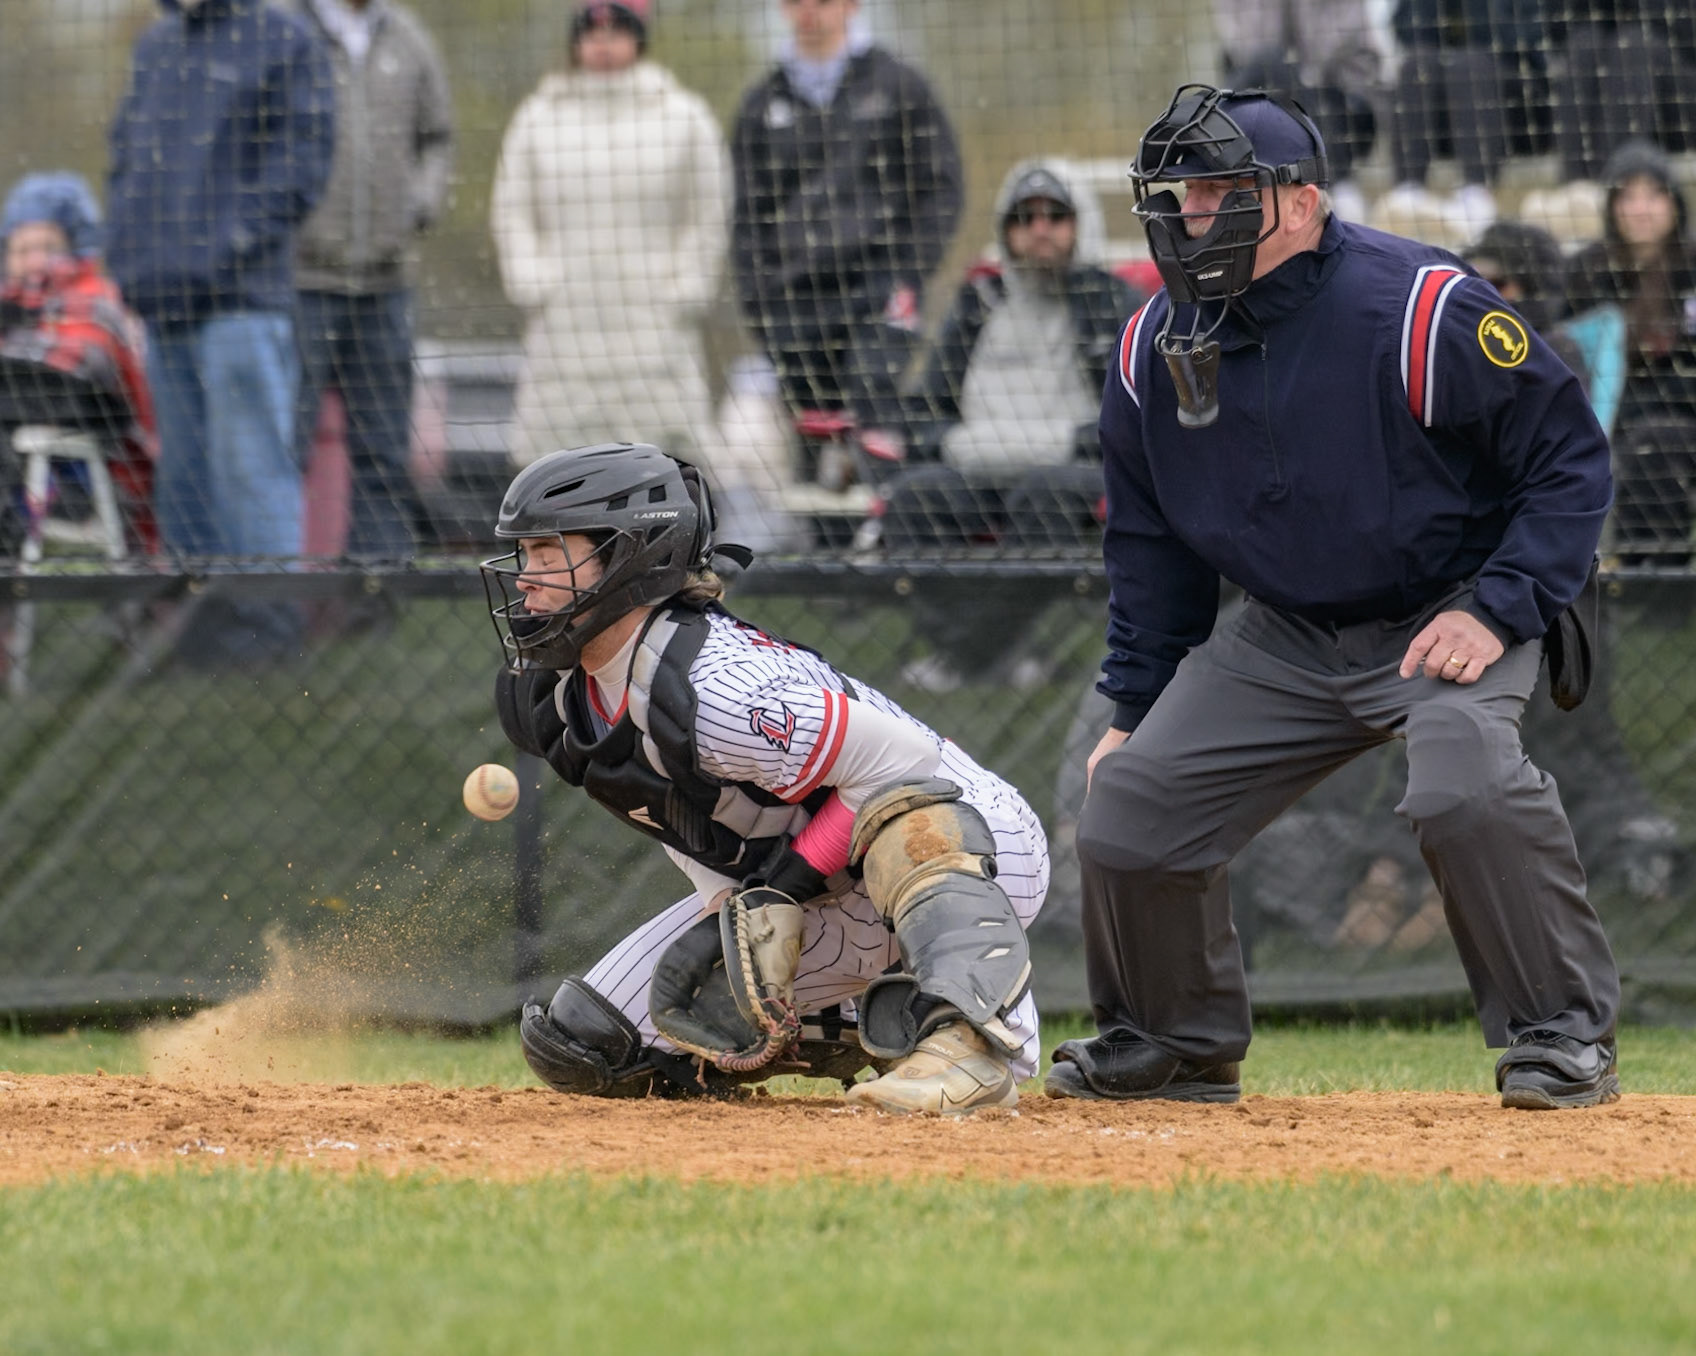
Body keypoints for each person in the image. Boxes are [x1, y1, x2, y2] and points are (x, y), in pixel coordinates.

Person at [1053, 85, 1621, 1111]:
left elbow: (1569, 461)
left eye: (1228, 192)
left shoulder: (1420, 306)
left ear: (1303, 203)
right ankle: (1177, 1042)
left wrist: (1496, 607)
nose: (1196, 215)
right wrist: (1130, 709)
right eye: (1184, 195)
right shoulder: (1147, 347)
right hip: (1286, 635)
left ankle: (1560, 1037)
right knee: (1128, 807)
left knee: (1462, 784)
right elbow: (1152, 555)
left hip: (1450, 607)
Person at [484, 441, 1048, 1115]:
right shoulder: (554, 697)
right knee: (587, 1043)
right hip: (833, 882)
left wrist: (783, 886)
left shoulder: (719, 688)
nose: (525, 576)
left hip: (974, 849)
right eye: (525, 554)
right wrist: (734, 909)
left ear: (627, 553)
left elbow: (906, 763)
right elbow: (679, 810)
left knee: (908, 818)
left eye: (550, 553)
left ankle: (971, 1042)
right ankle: (876, 1026)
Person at [105, 0, 334, 662]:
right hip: (163, 300)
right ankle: (201, 636)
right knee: (184, 473)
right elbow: (126, 159)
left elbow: (302, 163)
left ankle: (268, 632)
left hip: (243, 300)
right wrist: (129, 255)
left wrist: (228, 242)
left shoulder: (284, 37)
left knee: (250, 466)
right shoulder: (156, 47)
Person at [875, 159, 1139, 691]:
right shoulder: (978, 304)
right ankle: (1001, 653)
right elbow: (927, 409)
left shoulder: (1115, 303)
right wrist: (950, 443)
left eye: (1055, 215)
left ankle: (967, 656)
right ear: (1005, 230)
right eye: (1024, 217)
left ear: (1079, 222)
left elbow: (1134, 415)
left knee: (1043, 495)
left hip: (1072, 471)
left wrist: (1061, 445)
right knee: (913, 498)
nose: (1039, 229)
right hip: (977, 470)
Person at [490, 2, 729, 476]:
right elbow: (511, 208)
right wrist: (533, 280)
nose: (603, 41)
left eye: (617, 29)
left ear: (638, 36)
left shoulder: (682, 116)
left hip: (653, 323)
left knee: (662, 460)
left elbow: (708, 211)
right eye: (592, 30)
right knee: (559, 466)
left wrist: (686, 288)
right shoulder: (538, 119)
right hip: (566, 324)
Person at [730, 0, 963, 472]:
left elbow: (941, 188)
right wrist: (763, 301)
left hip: (879, 292)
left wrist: (906, 274)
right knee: (816, 455)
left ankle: (889, 533)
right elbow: (745, 218)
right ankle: (826, 545)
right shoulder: (760, 105)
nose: (810, 12)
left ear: (851, 6)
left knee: (877, 418)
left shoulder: (898, 86)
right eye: (798, 2)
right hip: (794, 306)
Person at [290, 0, 455, 560]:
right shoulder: (284, 30)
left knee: (383, 449)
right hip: (299, 283)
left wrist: (420, 203)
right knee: (285, 447)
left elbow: (437, 136)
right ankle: (278, 599)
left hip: (387, 285)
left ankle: (375, 594)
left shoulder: (408, 37)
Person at [0, 172, 157, 556]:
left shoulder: (99, 300)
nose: (34, 261)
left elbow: (92, 365)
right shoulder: (8, 305)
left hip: (84, 468)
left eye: (47, 246)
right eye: (22, 250)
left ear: (75, 244)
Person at [1565, 140, 1696, 567]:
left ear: (1674, 202)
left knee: (1655, 441)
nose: (1641, 208)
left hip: (1675, 417)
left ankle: (1654, 576)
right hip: (1596, 414)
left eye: (1653, 194)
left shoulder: (1689, 269)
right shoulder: (1586, 272)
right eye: (1628, 196)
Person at [1372, 1, 1554, 246]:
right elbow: (1406, 29)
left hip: (1516, 102)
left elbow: (1526, 36)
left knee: (1468, 64)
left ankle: (1477, 193)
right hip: (1447, 109)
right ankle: (1408, 192)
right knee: (1416, 65)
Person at [1213, 0, 1385, 221]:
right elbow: (1253, 53)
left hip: (1343, 104)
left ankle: (1334, 187)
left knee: (1301, 90)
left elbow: (1325, 54)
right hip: (1268, 99)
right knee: (1269, 66)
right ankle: (1228, 184)